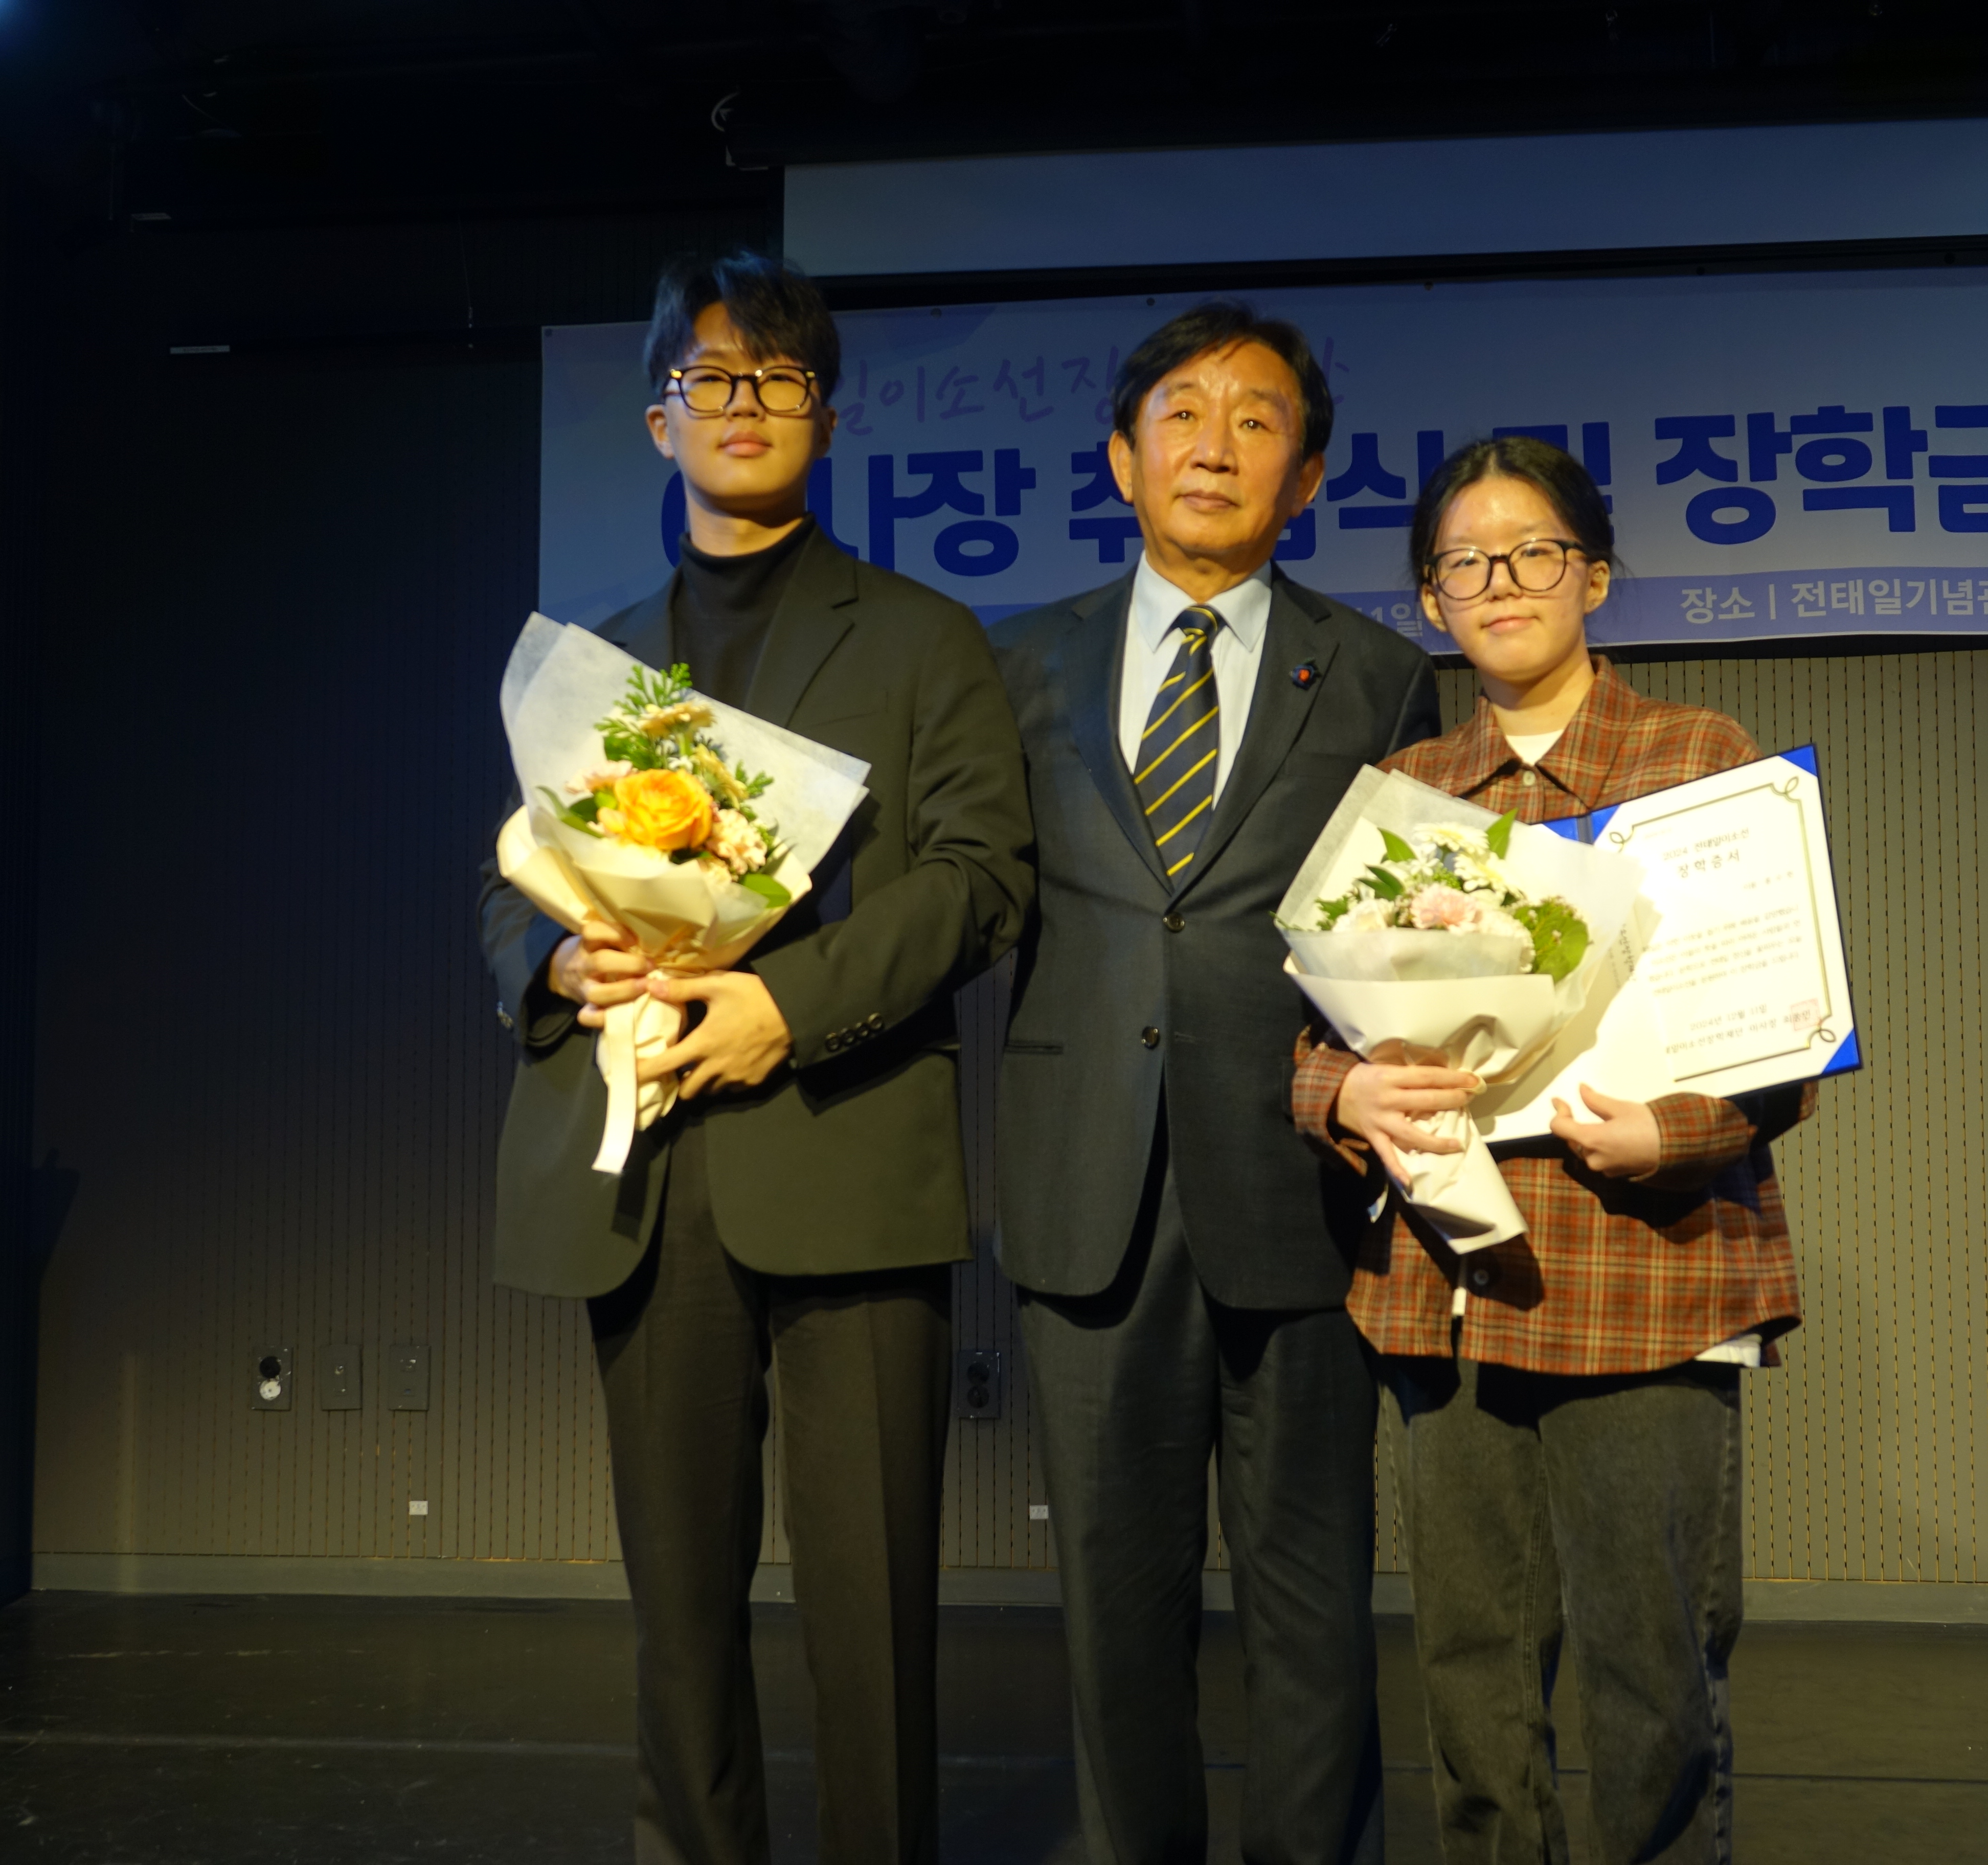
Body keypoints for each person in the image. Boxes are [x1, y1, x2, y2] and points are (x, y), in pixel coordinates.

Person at [476, 251, 1033, 1865]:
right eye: (712, 378)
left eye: (779, 379)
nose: (745, 405)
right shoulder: (599, 661)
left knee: (873, 1611)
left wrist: (786, 1008)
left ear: (827, 418)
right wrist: (556, 959)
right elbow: (508, 886)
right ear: (661, 419)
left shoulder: (926, 640)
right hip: (650, 1176)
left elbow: (981, 881)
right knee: (678, 1609)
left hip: (847, 1145)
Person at [1295, 435, 1811, 1865]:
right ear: (1429, 601)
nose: (1501, 581)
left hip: (1644, 1276)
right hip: (1446, 1285)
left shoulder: (1700, 761)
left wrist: (1676, 1131)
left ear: (1594, 574)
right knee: (1471, 1674)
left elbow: (1784, 1028)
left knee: (1654, 1674)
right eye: (1465, 562)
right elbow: (1313, 1039)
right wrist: (1342, 1097)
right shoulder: (1406, 795)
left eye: (1533, 551)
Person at [988, 301, 1441, 1865]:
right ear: (1123, 459)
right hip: (1085, 1184)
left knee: (1314, 1605)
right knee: (1114, 1610)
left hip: (1302, 1182)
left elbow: (1406, 937)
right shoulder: (1015, 663)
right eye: (1181, 412)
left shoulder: (1379, 676)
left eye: (1257, 420)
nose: (1215, 444)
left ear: (1304, 476)